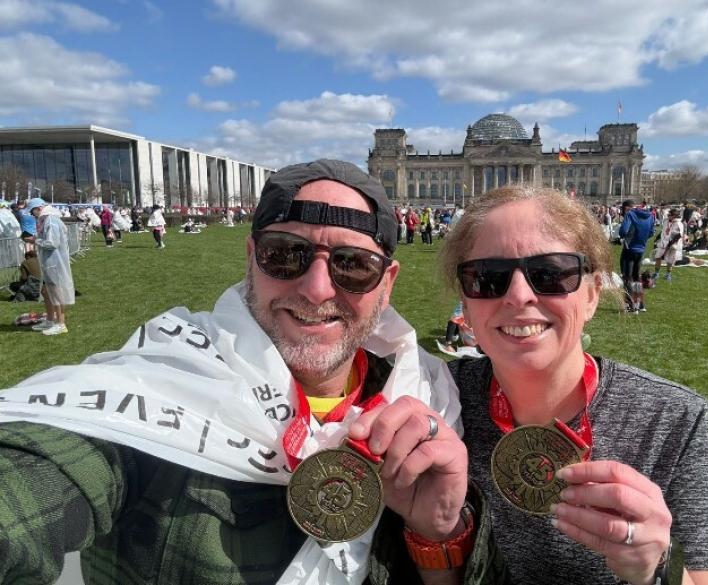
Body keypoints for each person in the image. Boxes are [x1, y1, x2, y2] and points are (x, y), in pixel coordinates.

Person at [0, 160, 505, 585]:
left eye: (353, 264)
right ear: (250, 258)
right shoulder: (158, 379)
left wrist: (439, 537)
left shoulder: (432, 400)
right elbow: (30, 485)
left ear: (387, 282)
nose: (316, 289)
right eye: (285, 255)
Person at [440, 185, 708, 585]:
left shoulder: (676, 421)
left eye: (550, 273)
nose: (518, 296)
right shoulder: (437, 401)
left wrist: (656, 570)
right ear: (466, 303)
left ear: (593, 295)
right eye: (488, 277)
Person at [26, 197, 75, 335]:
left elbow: (52, 243)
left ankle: (61, 323)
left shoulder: (51, 220)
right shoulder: (47, 220)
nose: (32, 215)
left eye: (32, 211)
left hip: (55, 262)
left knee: (56, 293)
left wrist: (35, 240)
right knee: (46, 292)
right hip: (50, 262)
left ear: (39, 208)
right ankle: (50, 320)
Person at [617, 199, 655, 313]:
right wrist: (641, 240)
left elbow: (623, 231)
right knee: (636, 277)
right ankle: (640, 304)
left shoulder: (630, 214)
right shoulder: (649, 215)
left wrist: (627, 238)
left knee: (627, 277)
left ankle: (631, 306)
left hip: (629, 248)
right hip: (640, 249)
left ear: (625, 208)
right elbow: (652, 232)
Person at [653, 208, 684, 283]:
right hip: (663, 242)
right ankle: (656, 273)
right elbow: (663, 231)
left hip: (673, 245)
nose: (668, 216)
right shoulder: (666, 221)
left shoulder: (679, 224)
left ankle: (668, 274)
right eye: (668, 214)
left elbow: (679, 235)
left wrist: (670, 244)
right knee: (658, 257)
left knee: (670, 260)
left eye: (669, 215)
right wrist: (657, 238)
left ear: (674, 216)